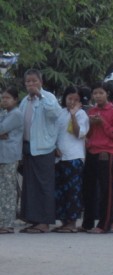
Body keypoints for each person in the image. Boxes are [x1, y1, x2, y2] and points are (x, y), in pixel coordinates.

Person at [18, 69, 63, 233]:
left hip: (44, 148)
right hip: (28, 147)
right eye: (28, 82)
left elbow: (56, 114)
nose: (31, 84)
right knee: (30, 186)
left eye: (34, 81)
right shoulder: (25, 101)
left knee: (44, 185)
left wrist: (41, 96)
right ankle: (33, 219)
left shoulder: (48, 97)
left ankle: (44, 222)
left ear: (40, 82)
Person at [82, 82, 113, 234]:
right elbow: (87, 134)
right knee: (89, 189)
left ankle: (104, 224)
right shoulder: (91, 111)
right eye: (95, 93)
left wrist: (103, 123)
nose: (97, 96)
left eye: (100, 93)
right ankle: (87, 222)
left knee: (106, 189)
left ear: (107, 94)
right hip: (91, 151)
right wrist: (91, 125)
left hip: (106, 152)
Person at [53, 86, 90, 232]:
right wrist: (54, 147)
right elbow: (54, 132)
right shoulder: (60, 113)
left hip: (74, 157)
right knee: (60, 190)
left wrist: (73, 115)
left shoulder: (82, 115)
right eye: (70, 99)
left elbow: (78, 133)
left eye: (76, 99)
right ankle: (63, 220)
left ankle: (72, 222)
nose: (72, 102)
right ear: (65, 99)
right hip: (60, 158)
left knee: (73, 191)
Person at [0, 85, 24, 234]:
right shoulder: (5, 113)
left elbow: (1, 129)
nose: (4, 100)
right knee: (2, 189)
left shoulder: (15, 114)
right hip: (3, 155)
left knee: (8, 189)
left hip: (9, 155)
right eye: (3, 98)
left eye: (8, 98)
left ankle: (7, 223)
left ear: (15, 100)